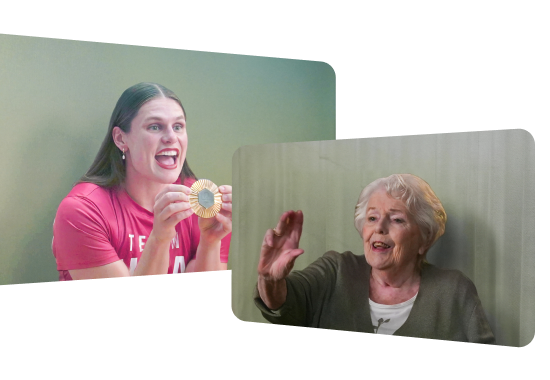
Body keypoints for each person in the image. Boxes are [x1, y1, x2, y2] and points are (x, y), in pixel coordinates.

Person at [254, 174, 495, 344]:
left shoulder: (454, 290)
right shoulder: (336, 270)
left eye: (397, 219)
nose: (379, 227)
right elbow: (283, 307)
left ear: (424, 240)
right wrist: (270, 279)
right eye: (372, 218)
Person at [52, 83, 232, 281]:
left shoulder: (201, 207)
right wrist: (160, 238)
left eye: (178, 126)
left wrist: (211, 241)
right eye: (155, 126)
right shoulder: (83, 210)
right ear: (121, 139)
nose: (171, 137)